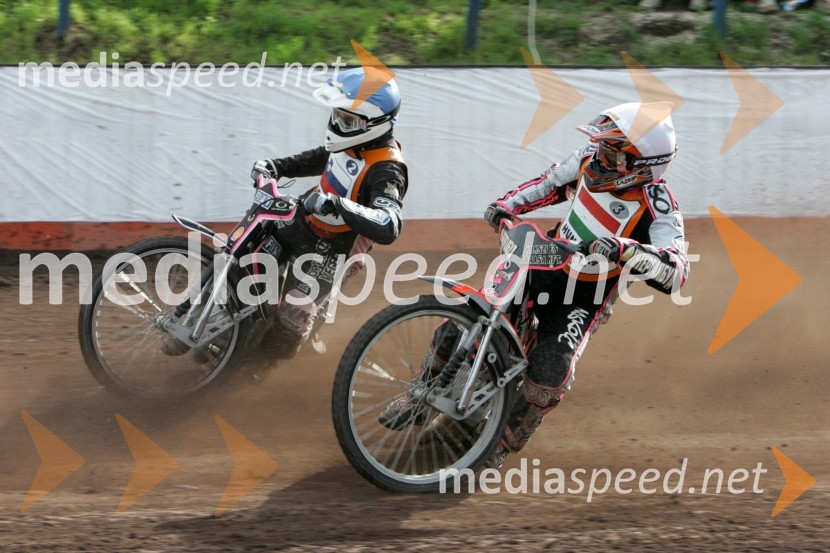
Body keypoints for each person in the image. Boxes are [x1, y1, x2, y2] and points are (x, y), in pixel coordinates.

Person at [379, 102, 689, 470]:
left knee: (549, 369)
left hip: (584, 297)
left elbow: (677, 268)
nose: (602, 157)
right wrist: (505, 206)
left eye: (612, 152)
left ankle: (510, 434)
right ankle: (421, 392)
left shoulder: (658, 204)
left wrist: (624, 248)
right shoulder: (589, 159)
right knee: (462, 323)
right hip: (546, 258)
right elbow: (548, 183)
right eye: (603, 147)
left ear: (639, 166)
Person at [249, 67, 408, 374]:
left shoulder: (388, 169)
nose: (338, 124)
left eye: (348, 120)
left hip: (336, 249)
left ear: (374, 123)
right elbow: (321, 157)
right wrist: (275, 166)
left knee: (289, 322)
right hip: (305, 220)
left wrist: (336, 203)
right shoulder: (349, 141)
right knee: (250, 254)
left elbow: (389, 223)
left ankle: (256, 368)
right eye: (337, 115)